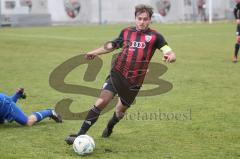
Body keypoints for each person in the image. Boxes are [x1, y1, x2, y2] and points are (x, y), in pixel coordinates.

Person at [65, 4, 176, 145]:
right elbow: (112, 45)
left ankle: (110, 126)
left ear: (150, 20)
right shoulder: (126, 32)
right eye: (139, 18)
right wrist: (94, 52)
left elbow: (168, 50)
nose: (142, 22)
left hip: (134, 82)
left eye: (145, 19)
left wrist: (171, 56)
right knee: (102, 101)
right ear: (135, 18)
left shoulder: (155, 37)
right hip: (117, 73)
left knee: (119, 111)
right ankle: (80, 135)